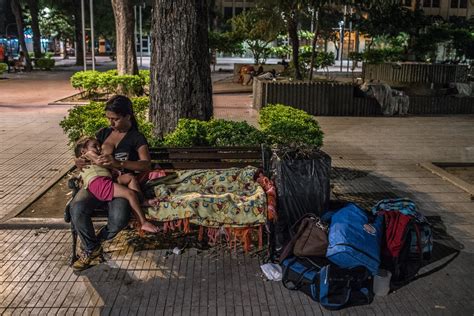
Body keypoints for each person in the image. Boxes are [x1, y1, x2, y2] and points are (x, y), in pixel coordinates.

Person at [69, 95, 153, 271]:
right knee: (77, 208)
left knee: (119, 219)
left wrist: (119, 164)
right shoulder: (103, 133)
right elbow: (88, 151)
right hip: (96, 181)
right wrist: (79, 162)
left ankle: (92, 246)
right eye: (108, 118)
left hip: (119, 185)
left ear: (127, 116)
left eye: (114, 119)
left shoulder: (136, 137)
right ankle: (92, 250)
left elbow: (145, 164)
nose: (110, 123)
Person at [74, 136, 159, 234]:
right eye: (94, 146)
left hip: (104, 180)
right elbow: (99, 161)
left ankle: (142, 201)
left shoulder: (90, 156)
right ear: (83, 151)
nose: (98, 148)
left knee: (130, 177)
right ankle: (143, 222)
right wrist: (110, 160)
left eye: (99, 145)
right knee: (130, 194)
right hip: (99, 184)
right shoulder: (88, 154)